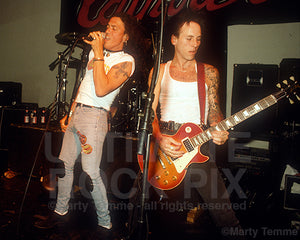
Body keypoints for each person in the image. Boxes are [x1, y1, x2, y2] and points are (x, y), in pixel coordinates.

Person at [35, 13, 143, 233]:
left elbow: (102, 89)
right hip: (78, 114)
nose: (108, 30)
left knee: (90, 172)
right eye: (108, 26)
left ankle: (105, 223)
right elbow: (85, 86)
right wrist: (71, 112)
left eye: (114, 27)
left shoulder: (126, 61)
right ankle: (60, 212)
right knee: (65, 165)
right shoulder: (97, 54)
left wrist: (99, 51)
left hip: (95, 117)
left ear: (126, 37)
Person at [145, 9, 243, 239]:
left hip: (199, 143)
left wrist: (219, 129)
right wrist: (159, 137)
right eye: (189, 38)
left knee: (224, 214)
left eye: (198, 39)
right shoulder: (159, 71)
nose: (194, 44)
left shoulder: (209, 72)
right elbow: (149, 112)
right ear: (174, 39)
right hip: (166, 145)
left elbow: (214, 110)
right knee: (168, 219)